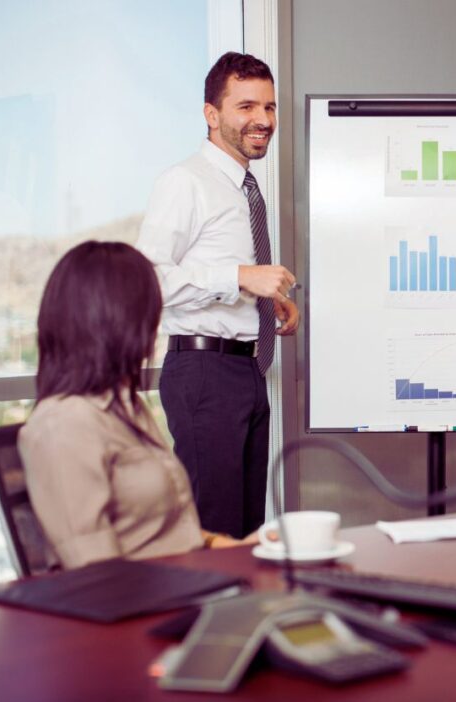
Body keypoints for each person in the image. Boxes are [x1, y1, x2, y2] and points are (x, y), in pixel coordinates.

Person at [136, 52, 298, 539]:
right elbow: (146, 280)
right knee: (214, 531)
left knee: (247, 533)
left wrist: (265, 302)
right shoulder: (185, 182)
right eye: (246, 106)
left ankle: (243, 618)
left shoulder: (245, 189)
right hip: (204, 375)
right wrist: (241, 277)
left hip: (245, 371)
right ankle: (206, 618)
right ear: (212, 115)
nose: (263, 120)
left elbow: (226, 276)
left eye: (269, 108)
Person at [18, 242, 252, 570]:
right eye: (148, 315)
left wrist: (228, 548)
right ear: (113, 323)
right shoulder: (63, 425)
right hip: (151, 605)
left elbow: (157, 531)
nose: (153, 331)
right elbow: (98, 575)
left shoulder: (126, 407)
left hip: (184, 585)